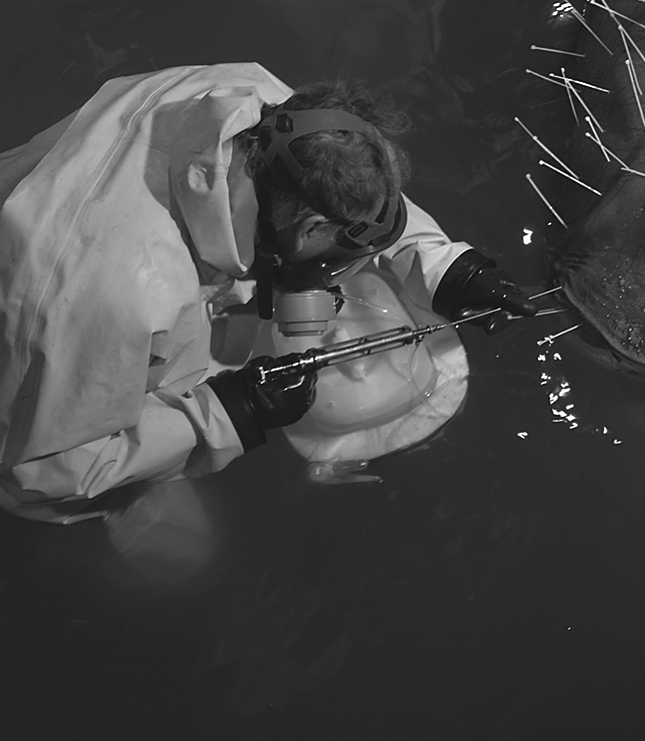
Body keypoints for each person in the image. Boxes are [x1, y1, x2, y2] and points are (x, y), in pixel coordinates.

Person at [0, 62, 535, 523]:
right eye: (338, 254)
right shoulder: (118, 296)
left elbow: (348, 193)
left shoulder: (255, 105)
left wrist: (445, 268)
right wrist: (232, 411)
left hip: (63, 251)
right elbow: (38, 471)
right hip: (37, 339)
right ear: (309, 231)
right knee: (176, 557)